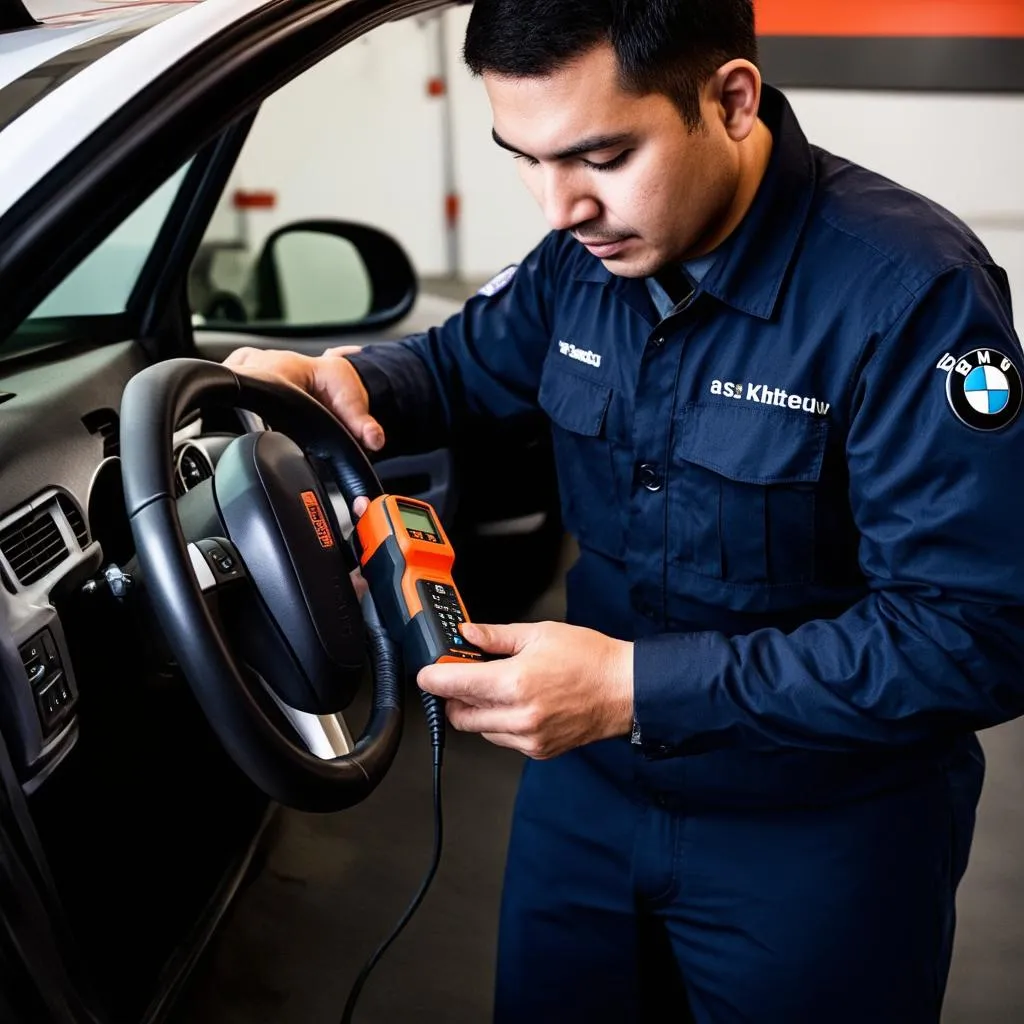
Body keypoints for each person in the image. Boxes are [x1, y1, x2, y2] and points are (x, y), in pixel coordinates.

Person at [225, 1, 1024, 1020]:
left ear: (730, 101)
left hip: (824, 830)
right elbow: (460, 368)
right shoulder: (581, 259)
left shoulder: (911, 296)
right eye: (524, 156)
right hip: (587, 793)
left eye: (601, 156)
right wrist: (344, 378)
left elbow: (975, 634)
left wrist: (634, 686)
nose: (559, 207)